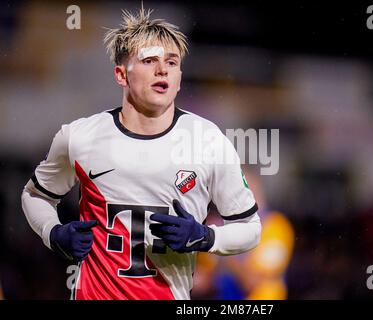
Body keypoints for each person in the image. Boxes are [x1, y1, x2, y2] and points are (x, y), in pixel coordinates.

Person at [21, 7, 261, 300]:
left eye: (171, 62)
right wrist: (53, 232)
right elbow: (36, 195)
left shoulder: (208, 140)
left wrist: (205, 237)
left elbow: (250, 229)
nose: (163, 70)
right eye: (149, 60)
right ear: (121, 74)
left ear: (180, 76)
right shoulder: (80, 137)